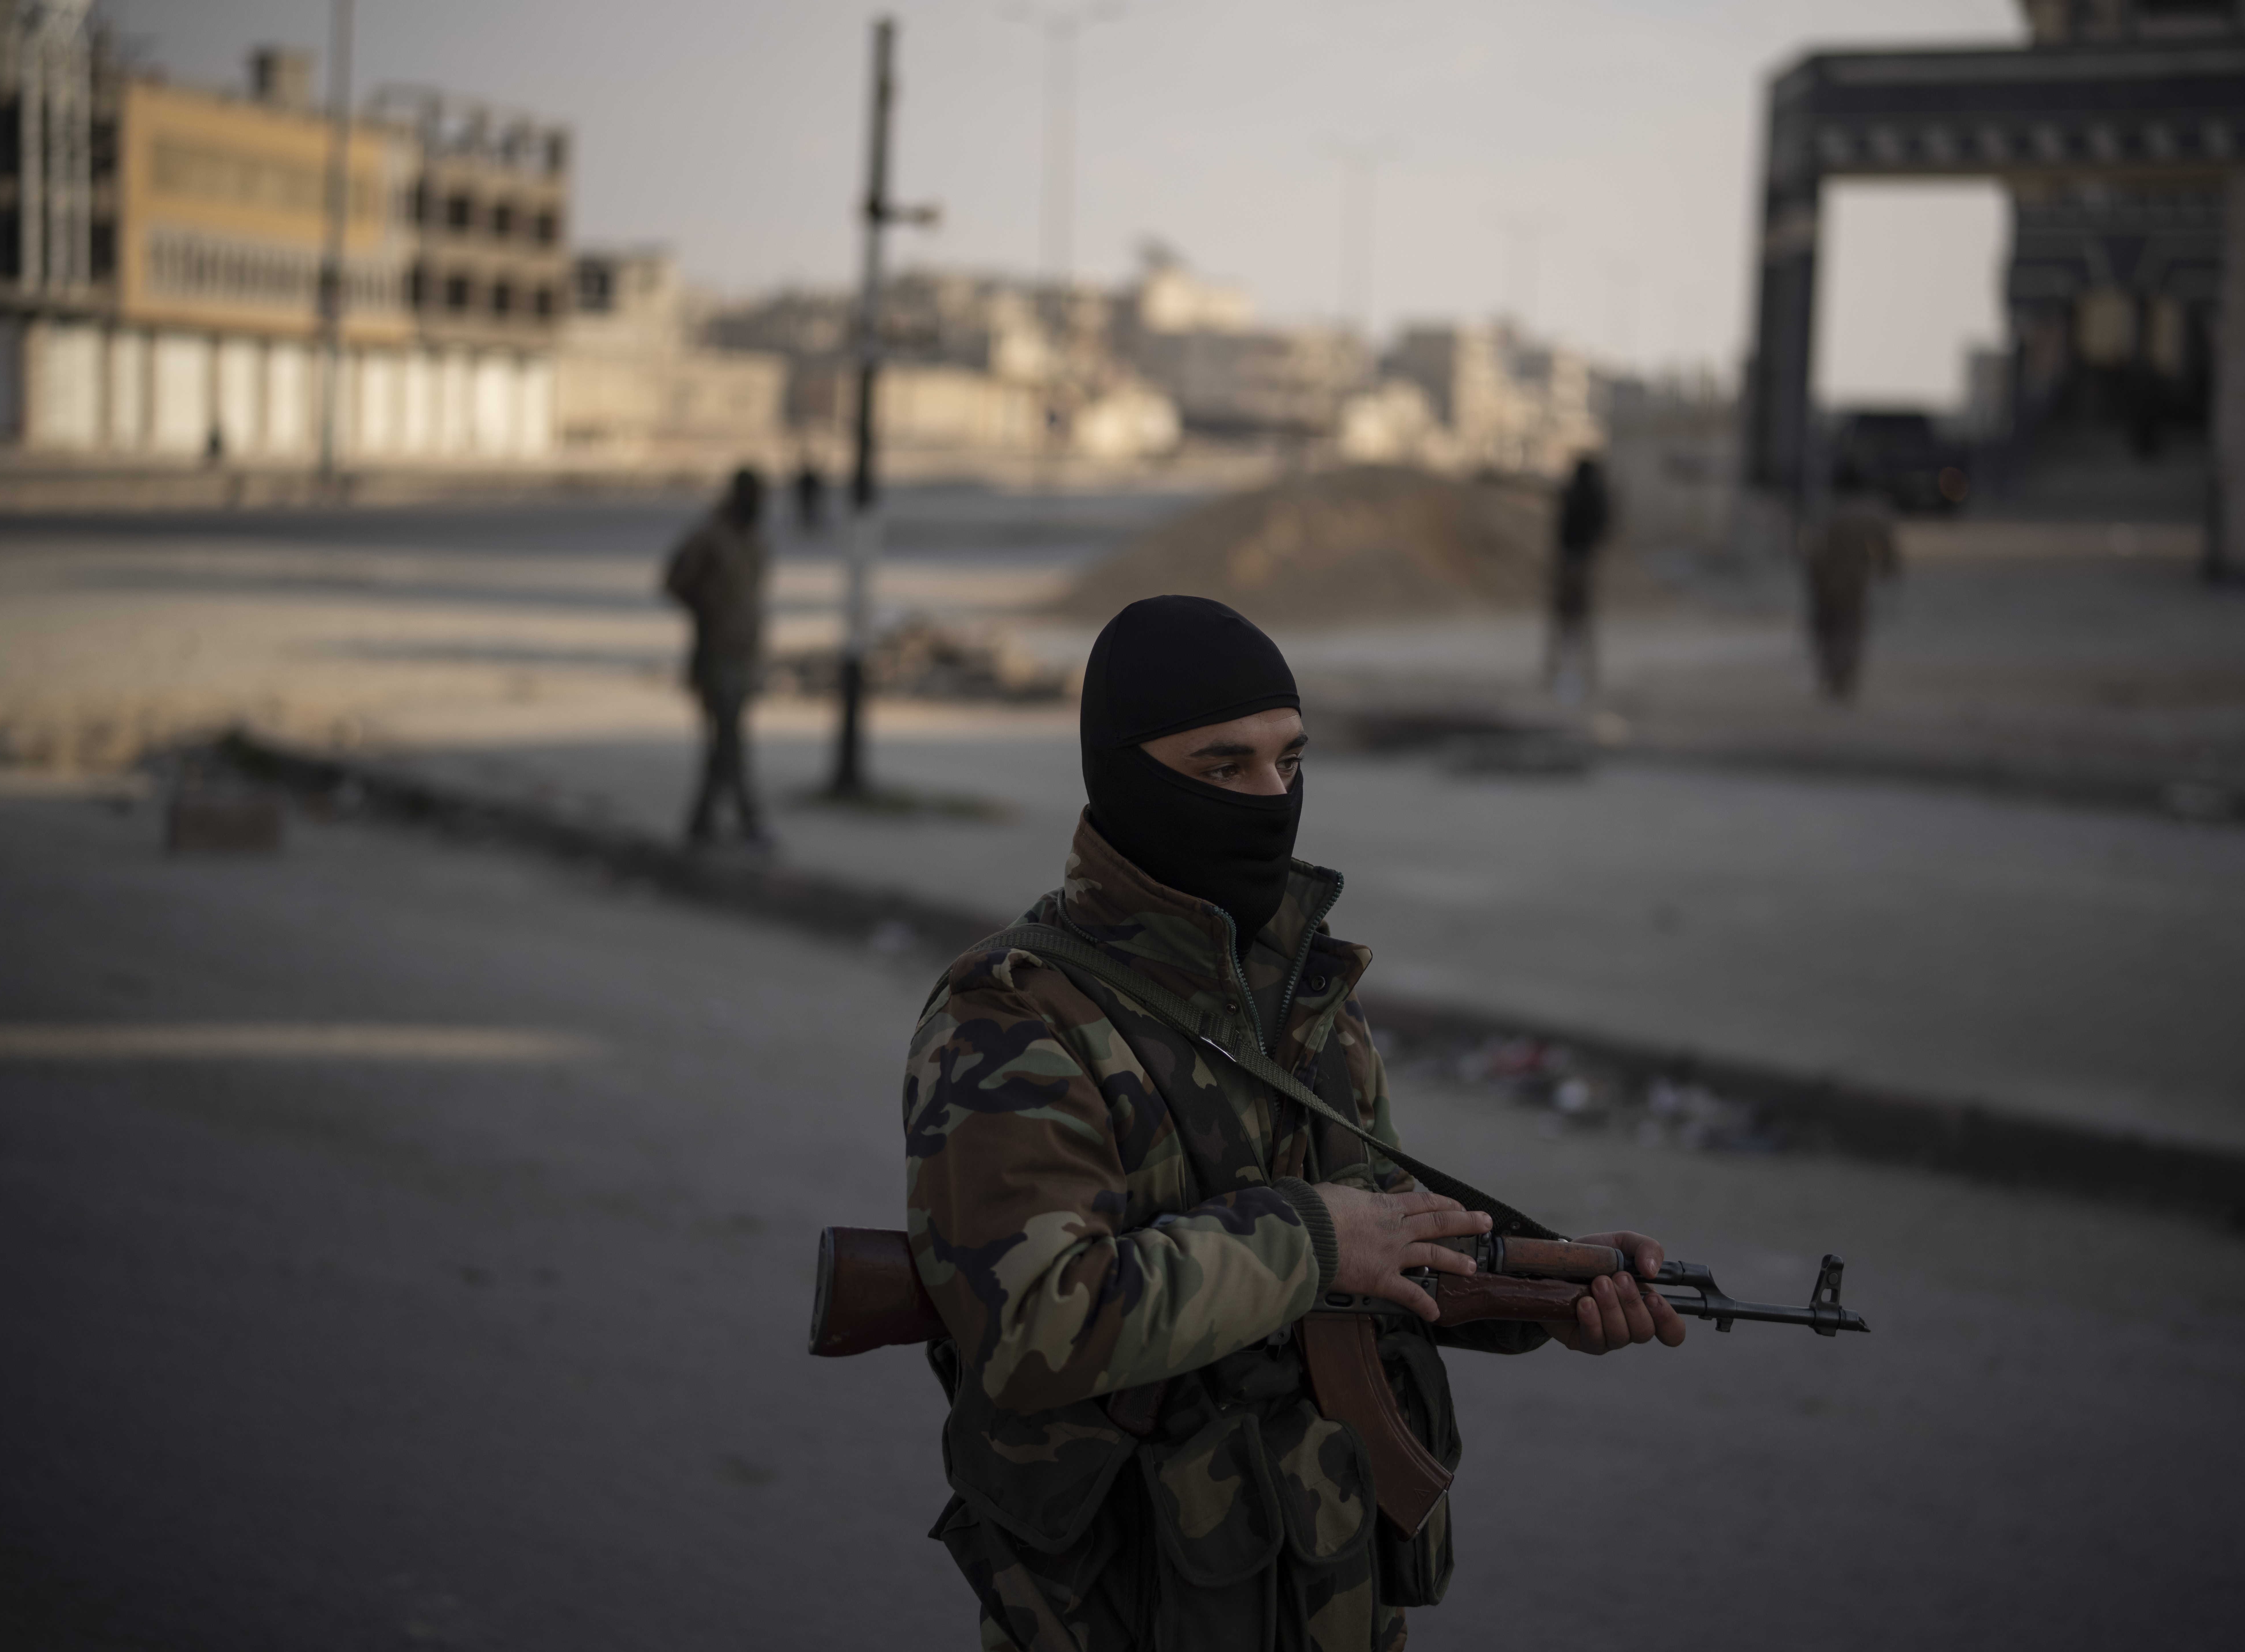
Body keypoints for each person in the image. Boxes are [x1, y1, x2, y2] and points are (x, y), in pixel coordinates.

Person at [904, 595, 1684, 1652]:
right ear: (1124, 776)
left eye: (1288, 760)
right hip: (1125, 1608)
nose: (1272, 798)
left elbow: (1379, 1255)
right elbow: (1037, 1323)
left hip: (1329, 1588)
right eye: (1224, 768)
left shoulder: (1306, 995)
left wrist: (1542, 1289)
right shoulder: (1016, 1013)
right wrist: (1311, 1239)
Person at [662, 468, 772, 848]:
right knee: (730, 742)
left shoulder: (753, 540)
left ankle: (704, 822)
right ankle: (748, 821)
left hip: (745, 654)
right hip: (716, 654)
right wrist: (707, 609)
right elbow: (674, 582)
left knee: (725, 743)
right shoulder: (709, 538)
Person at [1800, 487, 1900, 703]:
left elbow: (1812, 549)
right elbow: (1887, 549)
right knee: (1849, 630)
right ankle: (1843, 679)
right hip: (1853, 582)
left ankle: (1832, 677)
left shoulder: (1828, 511)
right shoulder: (1870, 515)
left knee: (1828, 630)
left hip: (1825, 580)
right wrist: (1889, 571)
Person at [1548, 455, 1611, 705]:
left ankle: (1565, 669)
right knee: (1577, 620)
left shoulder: (1580, 496)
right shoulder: (1593, 495)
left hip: (1575, 562)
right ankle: (1583, 671)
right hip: (1581, 562)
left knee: (1569, 620)